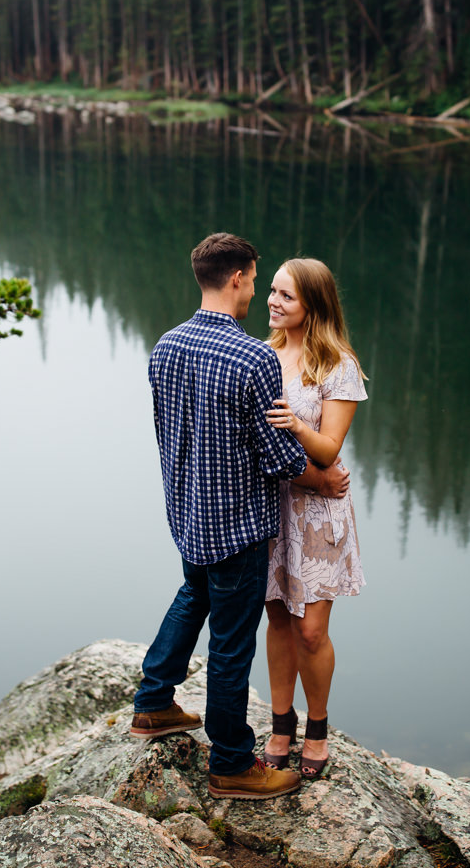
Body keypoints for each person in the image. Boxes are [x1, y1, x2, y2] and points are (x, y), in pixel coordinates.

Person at [132, 232, 351, 800]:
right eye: (257, 280)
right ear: (237, 279)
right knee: (231, 645)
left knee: (192, 597)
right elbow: (277, 456)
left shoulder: (167, 345)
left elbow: (168, 432)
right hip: (239, 525)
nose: (260, 291)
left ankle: (153, 702)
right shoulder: (251, 355)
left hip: (189, 513)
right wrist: (324, 478)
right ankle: (232, 763)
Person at [261, 257, 368, 781]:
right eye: (273, 292)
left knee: (311, 630)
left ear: (313, 306)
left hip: (320, 513)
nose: (274, 303)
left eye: (286, 297)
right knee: (277, 616)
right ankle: (281, 726)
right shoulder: (263, 356)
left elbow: (328, 451)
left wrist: (296, 426)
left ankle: (318, 728)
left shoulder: (337, 364)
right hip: (271, 505)